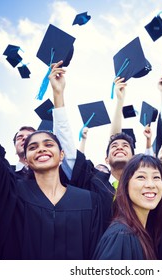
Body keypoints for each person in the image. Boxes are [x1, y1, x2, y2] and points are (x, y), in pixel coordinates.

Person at [0, 130, 112, 259]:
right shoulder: (12, 193)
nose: (41, 149)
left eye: (48, 145)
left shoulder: (89, 201)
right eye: (33, 147)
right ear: (26, 159)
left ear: (61, 154)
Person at [50, 62, 135, 194]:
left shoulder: (141, 186)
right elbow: (67, 148)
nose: (119, 147)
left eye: (125, 146)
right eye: (114, 146)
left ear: (134, 158)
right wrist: (58, 94)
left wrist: (120, 101)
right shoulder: (94, 182)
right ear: (106, 159)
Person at [93, 154, 162, 260]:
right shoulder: (121, 236)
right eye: (141, 177)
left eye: (156, 177)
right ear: (125, 185)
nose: (151, 185)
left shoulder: (148, 231)